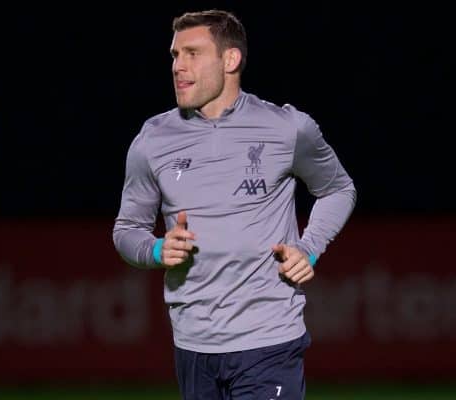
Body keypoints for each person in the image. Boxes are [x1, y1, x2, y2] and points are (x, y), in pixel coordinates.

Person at [113, 9, 356, 400]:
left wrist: (308, 250)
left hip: (270, 341)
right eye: (175, 56)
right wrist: (158, 248)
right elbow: (126, 230)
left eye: (192, 53)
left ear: (231, 60)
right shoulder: (152, 140)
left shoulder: (287, 128)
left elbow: (339, 189)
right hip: (193, 345)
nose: (179, 66)